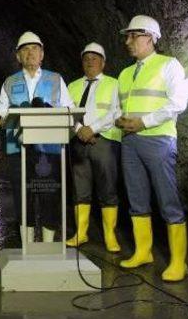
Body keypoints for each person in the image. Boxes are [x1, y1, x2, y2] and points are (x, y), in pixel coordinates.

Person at [115, 15, 188, 282]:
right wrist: (118, 120)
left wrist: (143, 122)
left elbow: (178, 103)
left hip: (158, 140)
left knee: (167, 200)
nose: (128, 41)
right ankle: (143, 251)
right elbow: (117, 108)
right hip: (130, 141)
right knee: (136, 199)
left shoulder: (169, 65)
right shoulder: (124, 73)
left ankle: (179, 262)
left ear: (151, 37)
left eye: (134, 36)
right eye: (128, 36)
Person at [0, 31, 74, 243]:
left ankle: (47, 244)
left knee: (49, 194)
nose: (30, 53)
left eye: (35, 48)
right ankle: (27, 244)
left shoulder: (56, 79)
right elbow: (0, 109)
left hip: (49, 148)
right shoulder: (10, 82)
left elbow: (69, 108)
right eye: (25, 49)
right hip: (17, 147)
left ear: (42, 54)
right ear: (18, 56)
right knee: (22, 196)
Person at [66, 42, 122, 253]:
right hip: (78, 141)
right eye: (86, 58)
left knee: (107, 188)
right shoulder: (72, 86)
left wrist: (93, 129)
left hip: (104, 140)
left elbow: (116, 112)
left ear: (103, 62)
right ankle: (81, 232)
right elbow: (67, 111)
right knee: (80, 188)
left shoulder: (114, 84)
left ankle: (109, 235)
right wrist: (80, 129)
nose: (90, 62)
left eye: (95, 58)